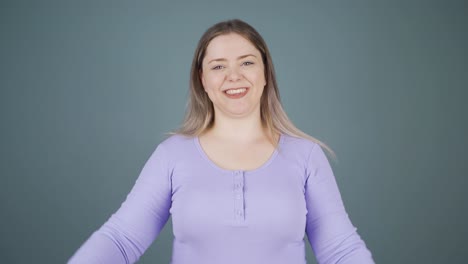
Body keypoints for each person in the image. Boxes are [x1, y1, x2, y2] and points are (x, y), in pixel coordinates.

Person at [68, 19, 375, 264]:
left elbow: (341, 251)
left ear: (266, 72)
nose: (233, 76)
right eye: (218, 66)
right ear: (202, 80)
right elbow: (121, 240)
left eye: (247, 62)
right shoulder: (172, 155)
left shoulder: (306, 156)